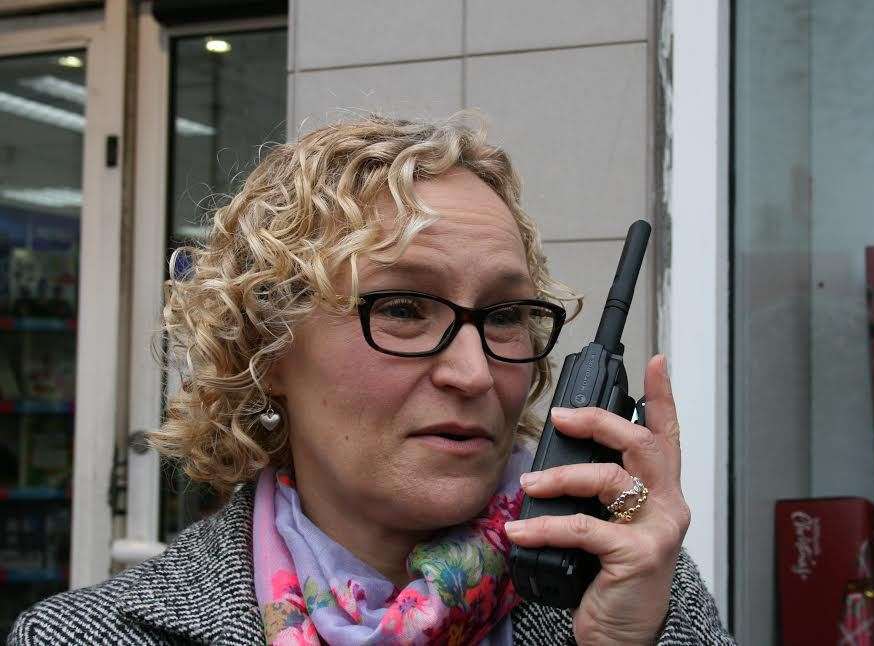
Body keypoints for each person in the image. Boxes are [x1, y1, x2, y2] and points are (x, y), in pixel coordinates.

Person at [9, 113, 735, 645]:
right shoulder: (90, 635)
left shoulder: (641, 599)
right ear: (266, 345)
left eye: (506, 314)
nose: (473, 372)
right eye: (403, 309)